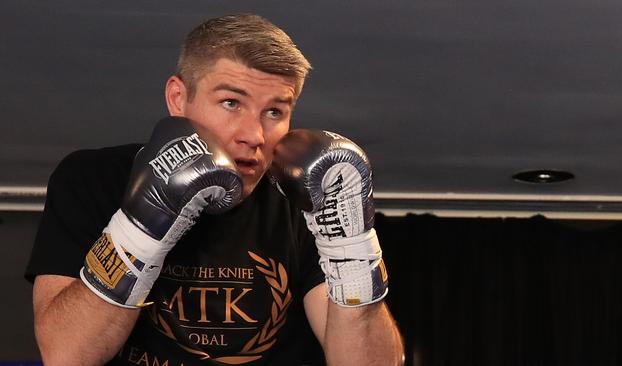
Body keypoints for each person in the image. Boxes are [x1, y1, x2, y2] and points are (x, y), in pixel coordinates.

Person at [25, 13, 404, 365]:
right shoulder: (94, 180)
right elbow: (66, 354)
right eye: (230, 102)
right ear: (178, 98)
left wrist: (351, 247)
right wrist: (140, 227)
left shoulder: (305, 198)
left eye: (274, 111)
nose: (254, 135)